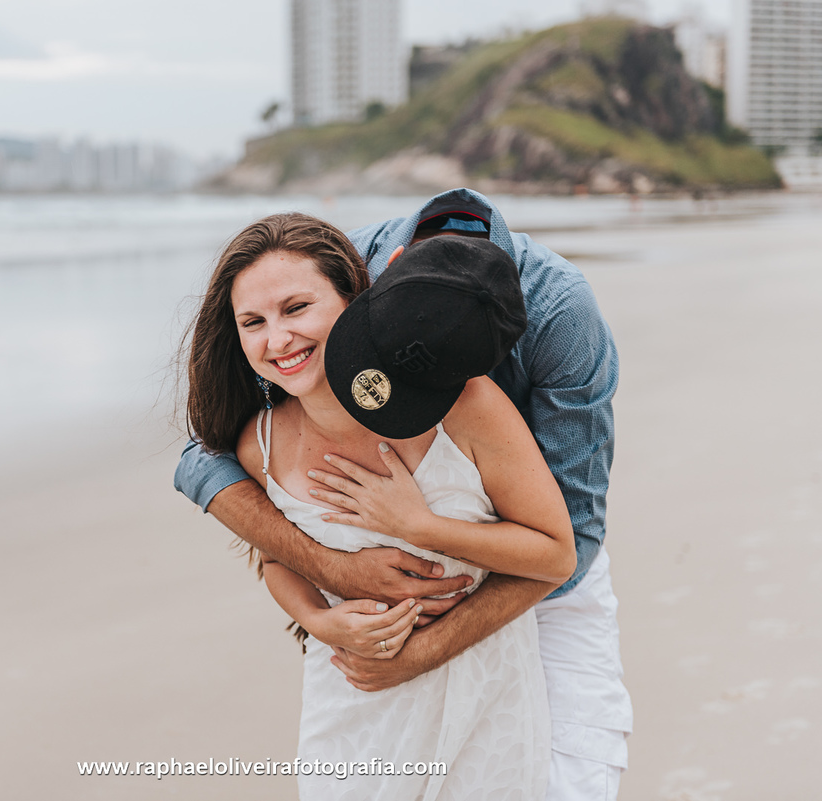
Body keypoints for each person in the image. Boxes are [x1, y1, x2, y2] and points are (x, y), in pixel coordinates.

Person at [176, 188, 633, 799]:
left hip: (530, 593)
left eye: (294, 311)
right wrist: (331, 587)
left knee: (575, 777)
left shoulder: (557, 317)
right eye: (256, 322)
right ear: (377, 280)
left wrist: (425, 633)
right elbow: (225, 482)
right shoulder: (324, 268)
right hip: (359, 680)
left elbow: (567, 544)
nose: (277, 336)